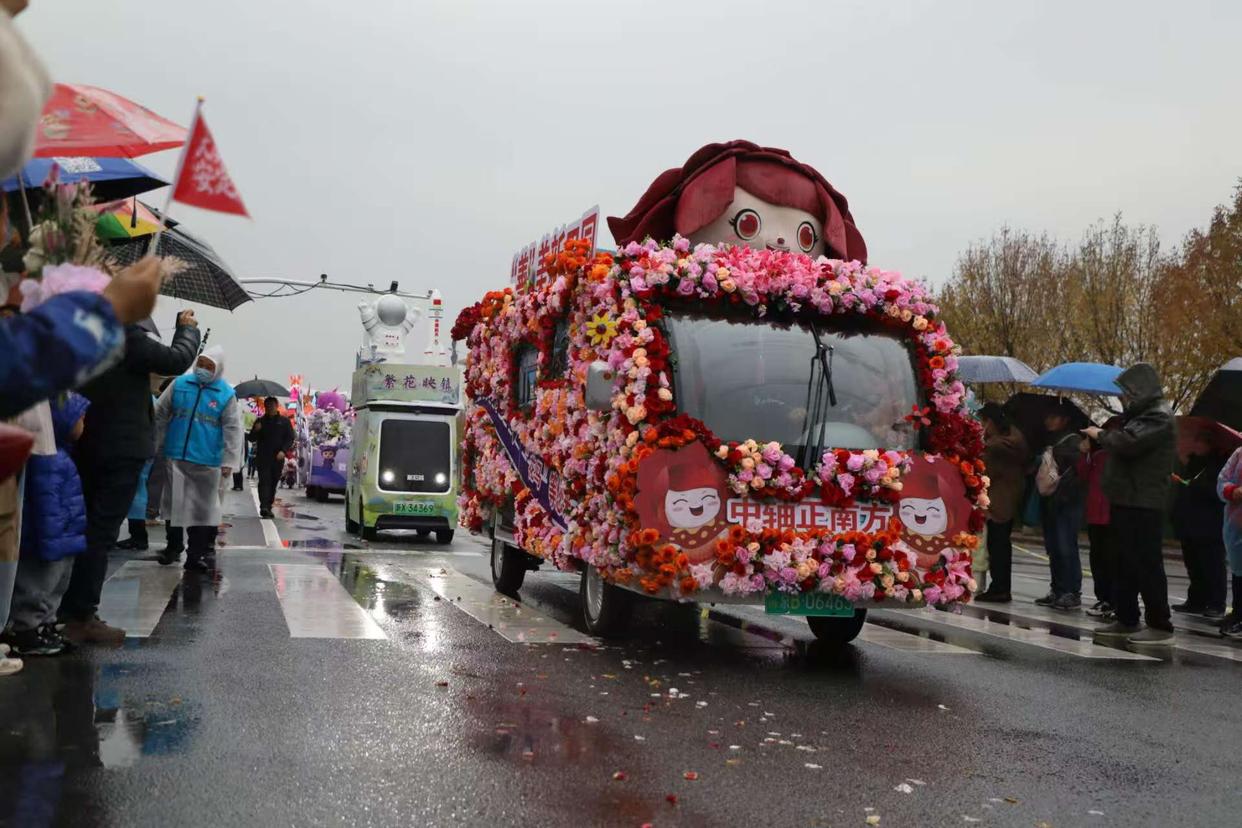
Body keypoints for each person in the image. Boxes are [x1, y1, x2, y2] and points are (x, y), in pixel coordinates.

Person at [58, 310, 200, 644]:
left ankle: (69, 608)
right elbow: (175, 359)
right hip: (118, 447)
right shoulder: (120, 333)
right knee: (100, 531)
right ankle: (80, 614)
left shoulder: (83, 331)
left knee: (87, 525)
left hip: (90, 441)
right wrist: (187, 330)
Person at [1090, 363, 1177, 644]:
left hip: (1144, 501)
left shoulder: (1159, 416)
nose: (1122, 399)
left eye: (1126, 393)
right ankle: (1126, 618)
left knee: (1146, 562)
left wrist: (1099, 435)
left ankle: (1159, 624)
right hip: (1127, 498)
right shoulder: (1142, 416)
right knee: (1123, 561)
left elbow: (1127, 444)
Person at [5, 393, 90, 656]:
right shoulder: (44, 387)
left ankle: (43, 622)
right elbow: (71, 424)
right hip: (46, 475)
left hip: (55, 474)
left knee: (58, 562)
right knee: (45, 562)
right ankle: (27, 627)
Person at [154, 347, 241, 572]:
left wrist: (229, 461)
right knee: (174, 506)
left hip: (207, 461)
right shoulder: (180, 384)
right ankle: (173, 547)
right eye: (201, 363)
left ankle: (195, 555)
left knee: (201, 512)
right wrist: (155, 444)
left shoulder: (225, 394)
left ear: (218, 369)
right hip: (176, 454)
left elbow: (233, 429)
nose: (203, 369)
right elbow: (160, 413)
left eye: (209, 366)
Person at [975, 403, 1030, 603]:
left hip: (1000, 500)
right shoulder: (1011, 440)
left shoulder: (999, 445)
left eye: (983, 421)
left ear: (990, 421)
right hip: (1004, 497)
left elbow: (987, 468)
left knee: (998, 546)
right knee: (998, 545)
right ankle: (999, 586)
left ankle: (1000, 588)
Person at [1171, 433, 1228, 620]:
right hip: (1189, 520)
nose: (1196, 443)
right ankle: (1196, 600)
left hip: (1210, 522)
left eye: (1200, 440)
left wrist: (1197, 486)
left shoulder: (1220, 465)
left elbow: (1218, 491)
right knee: (1193, 563)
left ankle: (1216, 603)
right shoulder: (1193, 463)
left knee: (1212, 564)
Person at [1036, 407, 1085, 611]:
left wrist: (1055, 455)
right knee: (1054, 547)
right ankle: (1057, 588)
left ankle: (1071, 591)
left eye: (1053, 415)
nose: (1048, 420)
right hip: (1052, 501)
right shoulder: (1053, 441)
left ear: (1065, 419)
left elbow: (1077, 472)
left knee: (1066, 547)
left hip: (1066, 501)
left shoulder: (1073, 442)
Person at [1078, 432, 1117, 619]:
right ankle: (1102, 597)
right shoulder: (1095, 457)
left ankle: (1113, 599)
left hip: (1111, 515)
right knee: (1097, 558)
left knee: (1111, 559)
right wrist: (1084, 454)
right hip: (1095, 514)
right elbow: (1083, 474)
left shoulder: (1115, 457)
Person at [250, 397, 294, 519]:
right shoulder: (260, 421)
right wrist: (256, 430)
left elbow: (290, 438)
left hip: (278, 457)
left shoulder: (284, 421)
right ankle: (263, 506)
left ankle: (268, 505)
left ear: (276, 406)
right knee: (264, 481)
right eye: (267, 406)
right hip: (263, 456)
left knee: (273, 481)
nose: (269, 408)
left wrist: (283, 451)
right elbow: (251, 438)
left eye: (272, 405)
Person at [1218, 447, 1242, 639]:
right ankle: (1238, 614)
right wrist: (1231, 491)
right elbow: (1223, 479)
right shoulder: (1239, 454)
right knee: (1239, 571)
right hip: (1237, 522)